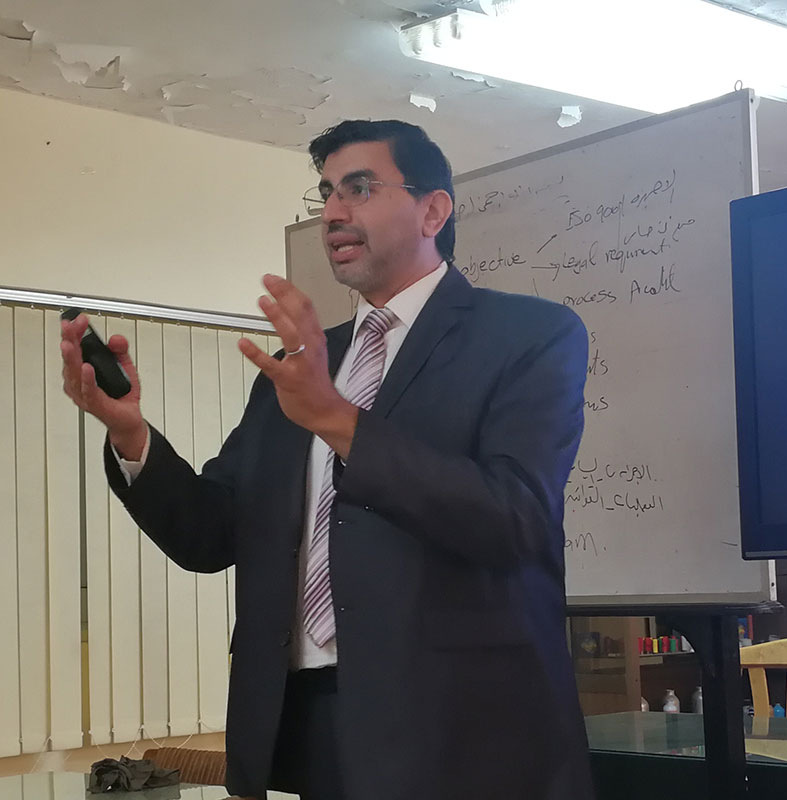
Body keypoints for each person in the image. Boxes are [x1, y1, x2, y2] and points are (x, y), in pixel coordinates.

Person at [60, 120, 594, 800]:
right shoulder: (299, 368)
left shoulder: (528, 335)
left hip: (460, 729)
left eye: (359, 188)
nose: (334, 212)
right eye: (327, 193)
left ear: (433, 210)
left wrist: (337, 419)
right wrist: (132, 435)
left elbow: (514, 518)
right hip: (304, 722)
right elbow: (209, 535)